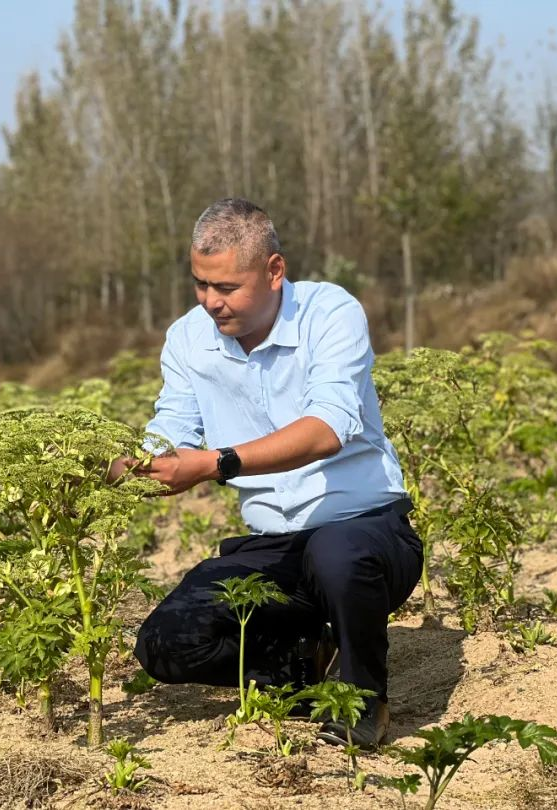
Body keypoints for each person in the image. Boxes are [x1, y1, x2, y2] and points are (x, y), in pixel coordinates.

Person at [119, 198, 422, 749]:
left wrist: (218, 463)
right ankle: (302, 666)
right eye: (200, 284)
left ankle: (362, 699)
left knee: (337, 556)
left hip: (366, 531)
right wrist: (116, 466)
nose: (211, 302)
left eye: (227, 287)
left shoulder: (330, 313)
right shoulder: (188, 339)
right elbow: (171, 433)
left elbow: (326, 429)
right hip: (275, 547)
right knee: (165, 642)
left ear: (274, 271)